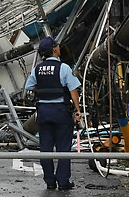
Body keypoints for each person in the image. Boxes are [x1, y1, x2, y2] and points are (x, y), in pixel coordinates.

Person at [25, 36, 82, 190]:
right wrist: (77, 110)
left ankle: (50, 181)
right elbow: (73, 90)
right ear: (55, 50)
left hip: (43, 112)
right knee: (63, 148)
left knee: (46, 148)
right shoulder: (63, 68)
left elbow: (29, 86)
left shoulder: (37, 69)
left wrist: (43, 90)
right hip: (61, 111)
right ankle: (63, 182)